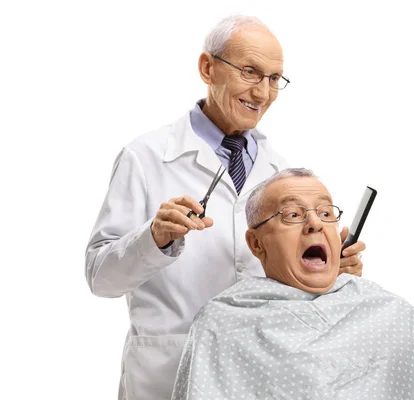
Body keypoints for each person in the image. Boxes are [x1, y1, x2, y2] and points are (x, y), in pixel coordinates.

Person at [85, 15, 365, 400]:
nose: (263, 93)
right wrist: (153, 238)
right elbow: (101, 279)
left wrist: (333, 270)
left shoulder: (279, 171)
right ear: (207, 68)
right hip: (167, 373)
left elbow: (290, 289)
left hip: (257, 375)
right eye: (251, 72)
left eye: (274, 78)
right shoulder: (145, 157)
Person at [171, 168, 414, 400]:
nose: (315, 224)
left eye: (326, 213)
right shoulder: (224, 324)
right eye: (293, 214)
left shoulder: (394, 317)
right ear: (256, 244)